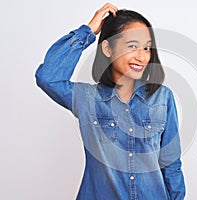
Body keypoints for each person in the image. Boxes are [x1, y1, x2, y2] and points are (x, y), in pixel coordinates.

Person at [35, 3, 185, 200]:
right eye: (132, 46)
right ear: (107, 48)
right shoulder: (87, 98)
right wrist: (88, 31)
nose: (142, 56)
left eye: (147, 48)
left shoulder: (162, 97)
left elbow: (170, 164)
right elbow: (48, 77)